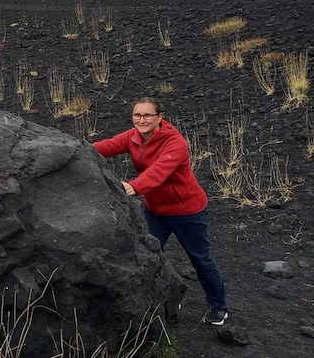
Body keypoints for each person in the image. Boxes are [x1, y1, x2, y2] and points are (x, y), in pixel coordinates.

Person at [94, 98, 229, 326]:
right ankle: (162, 299)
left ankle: (218, 307)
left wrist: (134, 186)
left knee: (200, 259)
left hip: (187, 211)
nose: (142, 120)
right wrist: (74, 147)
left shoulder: (175, 143)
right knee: (150, 255)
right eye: (137, 115)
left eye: (147, 115)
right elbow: (106, 146)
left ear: (159, 117)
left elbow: (159, 171)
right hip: (155, 210)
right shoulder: (133, 136)